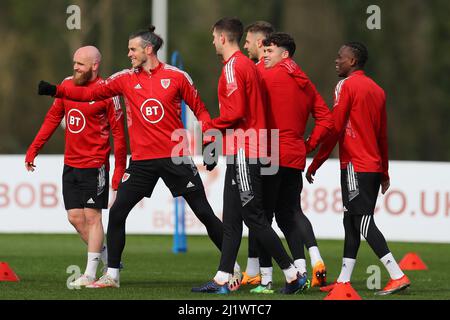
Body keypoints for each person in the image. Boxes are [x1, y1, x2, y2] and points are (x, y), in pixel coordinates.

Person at [38, 26, 237, 288]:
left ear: (148, 49)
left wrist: (211, 143)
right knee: (118, 212)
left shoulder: (177, 77)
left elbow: (201, 110)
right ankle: (112, 275)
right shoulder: (124, 78)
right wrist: (57, 90)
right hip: (142, 161)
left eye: (133, 49)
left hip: (175, 157)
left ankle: (232, 268)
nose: (128, 53)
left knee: (203, 212)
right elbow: (89, 93)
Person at [191, 17, 307, 295]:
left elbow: (236, 112)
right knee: (231, 219)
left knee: (254, 217)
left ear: (221, 38)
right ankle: (222, 278)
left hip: (246, 151)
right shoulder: (246, 66)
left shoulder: (234, 66)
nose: (212, 43)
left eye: (213, 37)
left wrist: (209, 130)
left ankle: (292, 273)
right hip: (243, 149)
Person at [306, 42, 411, 295]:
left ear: (352, 61)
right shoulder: (378, 90)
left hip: (355, 165)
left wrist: (317, 160)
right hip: (372, 166)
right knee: (350, 221)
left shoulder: (345, 86)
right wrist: (384, 172)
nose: (336, 60)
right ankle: (343, 280)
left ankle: (397, 274)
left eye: (340, 57)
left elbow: (335, 127)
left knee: (362, 222)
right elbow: (382, 136)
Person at [26, 46, 127, 287]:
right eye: (74, 63)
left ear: (94, 66)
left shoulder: (108, 92)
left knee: (93, 217)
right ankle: (107, 258)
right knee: (74, 217)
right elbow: (52, 118)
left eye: (80, 64)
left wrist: (118, 171)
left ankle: (91, 274)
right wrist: (34, 149)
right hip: (70, 163)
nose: (75, 67)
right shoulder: (66, 86)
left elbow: (119, 135)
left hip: (95, 164)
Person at [243, 32, 334, 294]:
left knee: (261, 218)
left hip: (269, 153)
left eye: (270, 51)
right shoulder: (305, 81)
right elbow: (326, 119)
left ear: (285, 54)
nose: (265, 55)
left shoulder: (264, 74)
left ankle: (267, 279)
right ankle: (302, 270)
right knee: (290, 213)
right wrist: (307, 145)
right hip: (294, 156)